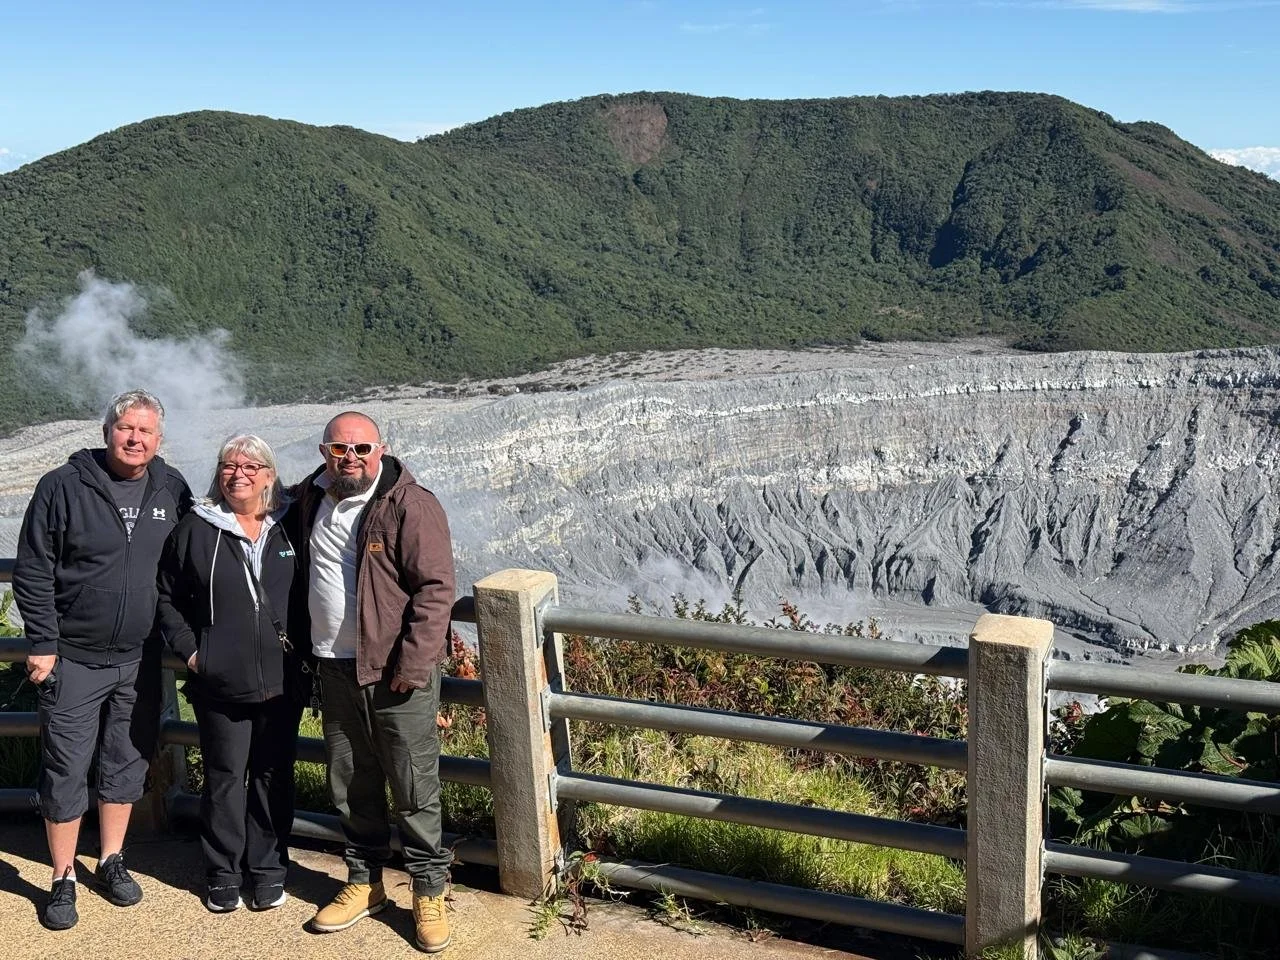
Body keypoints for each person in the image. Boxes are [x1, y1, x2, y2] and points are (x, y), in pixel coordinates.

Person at [13, 389, 192, 930]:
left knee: (127, 759)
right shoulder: (62, 486)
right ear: (106, 431)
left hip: (140, 658)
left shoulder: (171, 487)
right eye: (125, 429)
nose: (135, 439)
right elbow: (34, 569)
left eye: (146, 431)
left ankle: (111, 858)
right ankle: (62, 876)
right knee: (65, 766)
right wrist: (42, 641)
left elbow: (189, 564)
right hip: (73, 657)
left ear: (159, 439)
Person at [286, 411, 456, 953]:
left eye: (361, 448)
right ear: (323, 453)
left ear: (380, 450)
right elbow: (254, 498)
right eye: (340, 449)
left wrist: (413, 664)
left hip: (393, 671)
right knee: (350, 780)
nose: (351, 458)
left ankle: (429, 890)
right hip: (334, 666)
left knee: (413, 785)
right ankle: (364, 883)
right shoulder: (312, 497)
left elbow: (435, 591)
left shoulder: (410, 504)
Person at [156, 434, 307, 913]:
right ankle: (222, 871)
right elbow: (166, 596)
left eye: (250, 465)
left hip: (283, 680)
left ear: (269, 474)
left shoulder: (290, 525)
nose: (238, 473)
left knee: (272, 776)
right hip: (219, 681)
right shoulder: (196, 529)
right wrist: (194, 654)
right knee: (224, 777)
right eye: (228, 465)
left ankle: (267, 868)